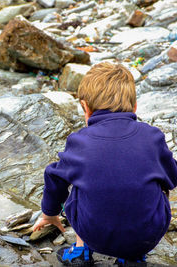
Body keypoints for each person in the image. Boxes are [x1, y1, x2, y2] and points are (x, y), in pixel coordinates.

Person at [33, 62, 177, 266]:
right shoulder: (152, 136)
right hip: (146, 236)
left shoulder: (79, 141)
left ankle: (81, 252)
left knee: (79, 184)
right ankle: (133, 257)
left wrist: (50, 213)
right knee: (158, 185)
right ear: (134, 107)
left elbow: (54, 176)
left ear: (85, 107)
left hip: (94, 235)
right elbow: (172, 178)